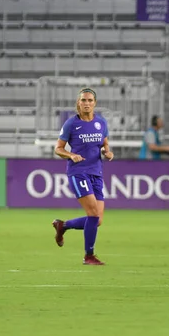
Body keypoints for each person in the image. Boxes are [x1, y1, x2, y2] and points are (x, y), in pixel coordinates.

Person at [51, 88, 114, 265]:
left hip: (96, 173)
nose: (87, 103)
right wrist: (71, 155)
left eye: (90, 100)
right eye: (83, 100)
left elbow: (105, 143)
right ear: (78, 103)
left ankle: (63, 225)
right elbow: (58, 148)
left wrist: (107, 152)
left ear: (95, 103)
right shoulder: (71, 124)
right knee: (93, 214)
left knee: (98, 220)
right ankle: (89, 256)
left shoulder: (101, 123)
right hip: (78, 173)